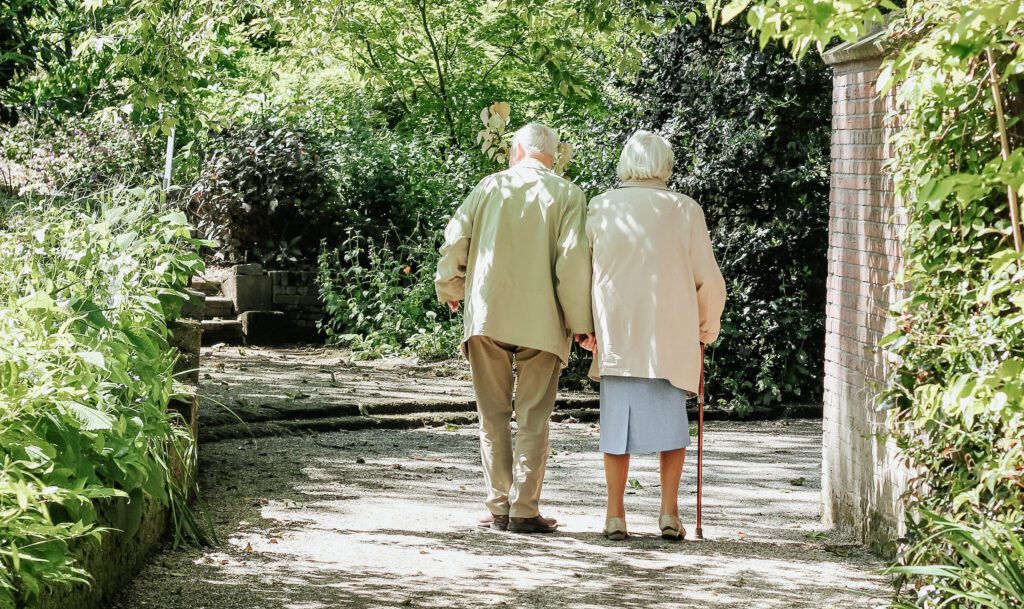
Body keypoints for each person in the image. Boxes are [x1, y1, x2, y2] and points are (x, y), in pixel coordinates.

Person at [435, 122, 593, 534]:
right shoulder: (569, 195)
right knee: (533, 417)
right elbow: (573, 263)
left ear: (517, 151)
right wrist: (581, 324)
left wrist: (450, 285)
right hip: (543, 322)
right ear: (553, 156)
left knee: (492, 415)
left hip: (488, 315)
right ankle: (524, 510)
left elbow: (455, 241)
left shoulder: (488, 187)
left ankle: (498, 505)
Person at [578, 130, 726, 541]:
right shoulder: (685, 210)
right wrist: (706, 328)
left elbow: (582, 273)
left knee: (615, 429)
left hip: (618, 334)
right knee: (672, 429)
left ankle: (614, 514)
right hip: (670, 336)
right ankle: (668, 512)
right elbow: (708, 280)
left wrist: (584, 326)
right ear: (666, 165)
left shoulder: (600, 206)